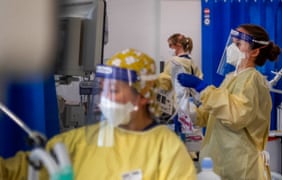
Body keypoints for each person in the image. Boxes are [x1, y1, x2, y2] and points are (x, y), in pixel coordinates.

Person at [0, 48, 197, 179]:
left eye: (113, 91)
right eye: (101, 89)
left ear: (143, 96)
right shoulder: (78, 142)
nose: (104, 99)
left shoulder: (165, 148)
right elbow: (17, 171)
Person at [177, 24, 281, 179]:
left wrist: (203, 88)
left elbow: (236, 115)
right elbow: (212, 114)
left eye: (238, 44)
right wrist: (187, 114)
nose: (231, 48)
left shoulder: (253, 79)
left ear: (255, 51)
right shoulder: (231, 77)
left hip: (240, 167)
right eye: (232, 43)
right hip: (221, 163)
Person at [158, 33, 203, 137]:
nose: (170, 48)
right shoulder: (191, 61)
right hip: (192, 105)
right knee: (191, 138)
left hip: (177, 106)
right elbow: (198, 80)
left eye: (170, 45)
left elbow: (166, 84)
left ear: (177, 45)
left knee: (178, 137)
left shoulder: (173, 62)